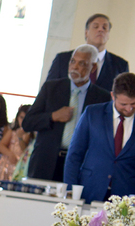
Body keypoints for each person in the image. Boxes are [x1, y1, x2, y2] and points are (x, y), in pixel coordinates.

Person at [23, 44, 109, 183]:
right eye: (73, 61)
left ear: (93, 67)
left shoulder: (102, 98)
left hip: (80, 165)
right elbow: (27, 123)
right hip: (45, 163)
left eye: (82, 63)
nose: (75, 67)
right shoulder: (50, 88)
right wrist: (53, 116)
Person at [66, 72, 135, 203]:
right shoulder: (92, 114)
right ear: (112, 96)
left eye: (133, 103)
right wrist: (70, 191)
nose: (129, 109)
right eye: (123, 104)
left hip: (127, 197)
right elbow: (75, 155)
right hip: (90, 190)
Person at [46, 14, 129, 93]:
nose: (100, 30)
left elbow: (124, 96)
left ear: (108, 35)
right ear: (86, 33)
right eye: (96, 27)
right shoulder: (63, 59)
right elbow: (48, 90)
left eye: (105, 28)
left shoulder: (120, 65)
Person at [0, 103, 33, 186]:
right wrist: (10, 154)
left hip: (20, 166)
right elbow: (1, 145)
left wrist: (20, 138)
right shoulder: (13, 131)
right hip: (7, 164)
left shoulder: (31, 134)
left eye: (26, 118)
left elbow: (25, 150)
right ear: (17, 117)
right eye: (21, 117)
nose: (23, 121)